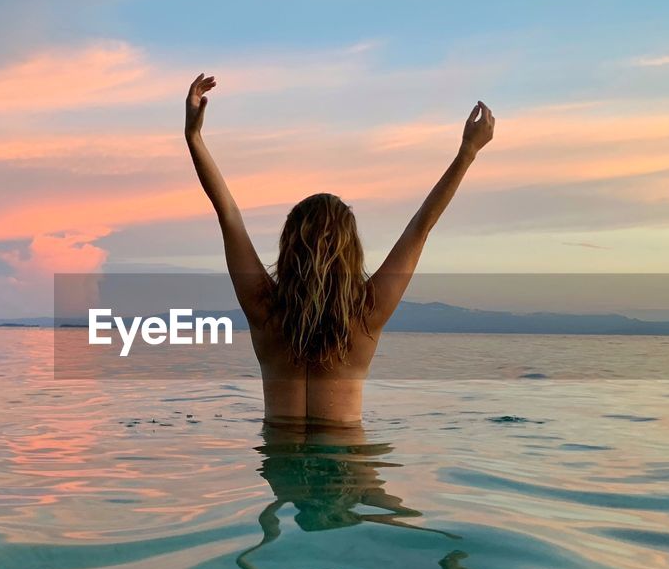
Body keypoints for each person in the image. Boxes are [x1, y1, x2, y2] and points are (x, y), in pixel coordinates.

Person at [185, 72, 495, 425]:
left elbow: (228, 215)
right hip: (349, 468)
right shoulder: (366, 314)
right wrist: (467, 152)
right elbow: (420, 227)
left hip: (281, 465)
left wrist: (193, 137)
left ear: (289, 246)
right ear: (351, 252)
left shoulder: (264, 310)